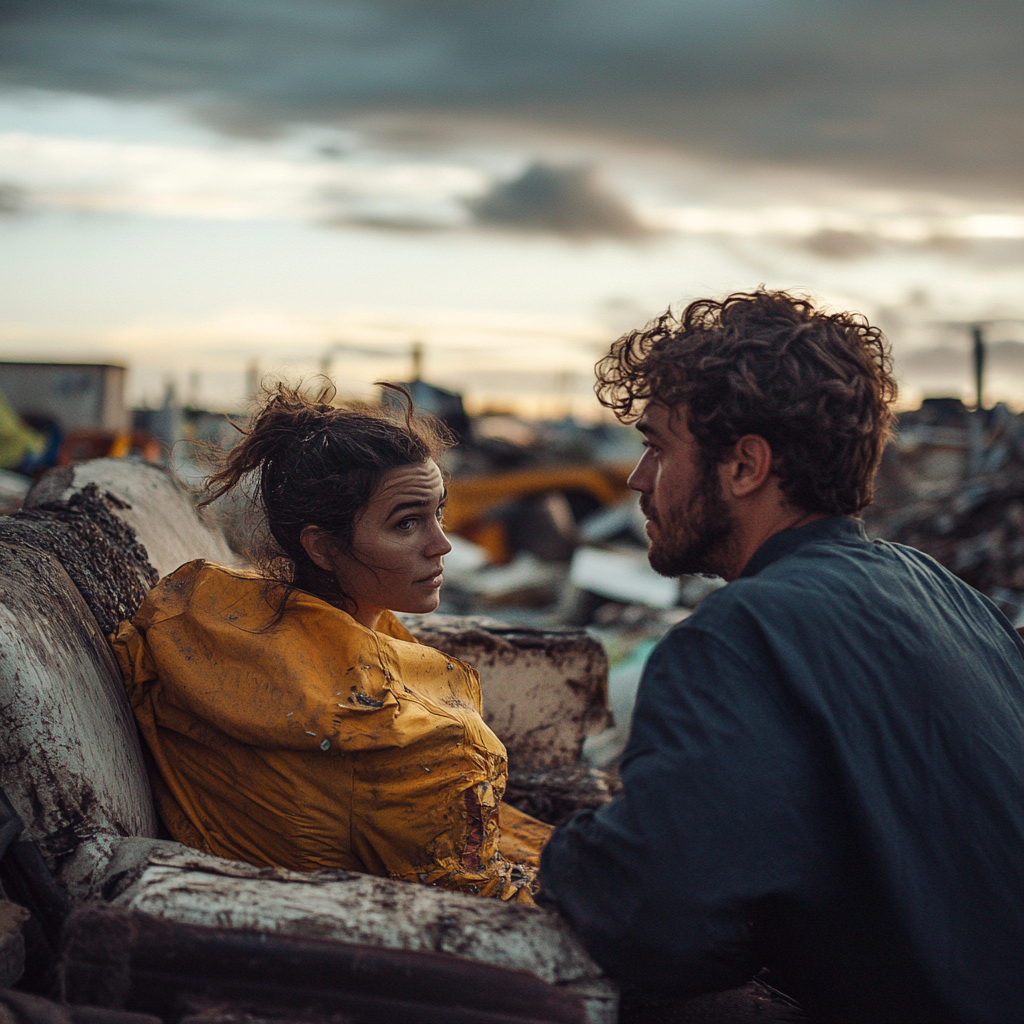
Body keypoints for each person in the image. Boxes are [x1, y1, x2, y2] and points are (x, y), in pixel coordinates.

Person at [540, 291, 1024, 1022]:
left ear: (745, 467)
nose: (639, 479)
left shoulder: (736, 636)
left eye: (660, 448)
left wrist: (570, 849)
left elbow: (655, 924)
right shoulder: (949, 596)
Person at [113, 383, 549, 903]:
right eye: (407, 523)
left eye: (438, 513)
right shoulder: (419, 744)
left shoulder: (194, 618)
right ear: (321, 546)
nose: (442, 544)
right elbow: (481, 906)